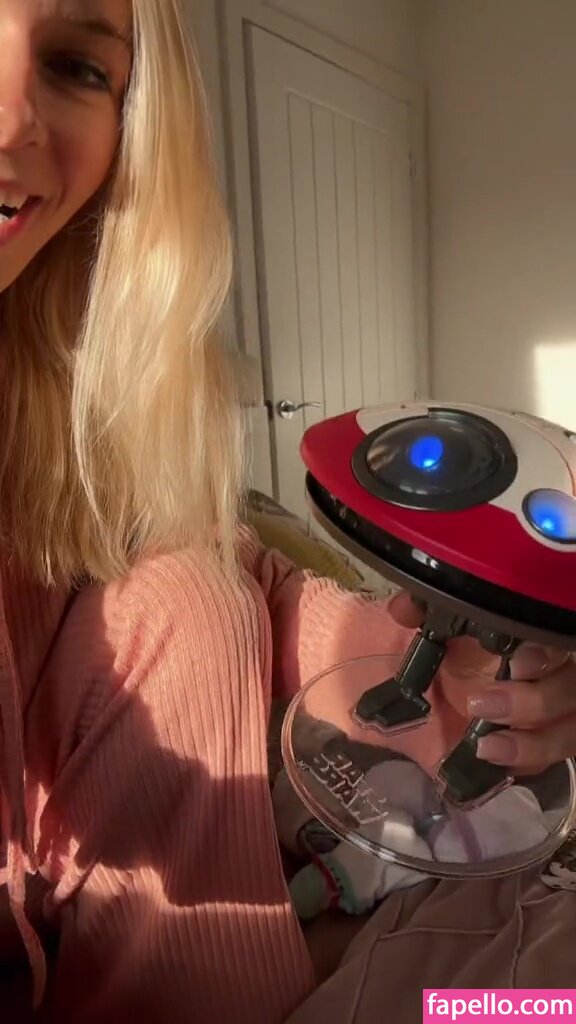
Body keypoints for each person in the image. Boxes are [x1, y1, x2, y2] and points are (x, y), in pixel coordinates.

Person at [1, 1, 575, 1021]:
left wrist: (448, 662)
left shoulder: (66, 414)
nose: (13, 119)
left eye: (78, 68)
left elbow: (222, 570)